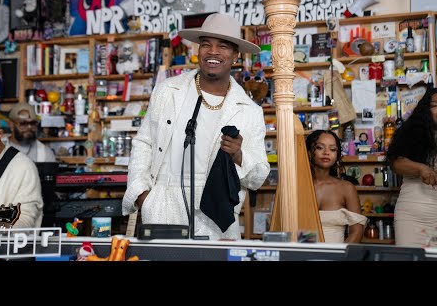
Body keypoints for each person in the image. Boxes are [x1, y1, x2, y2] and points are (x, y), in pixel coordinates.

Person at [122, 13, 270, 240]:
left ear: (235, 55)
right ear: (197, 51)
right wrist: (144, 197)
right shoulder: (168, 91)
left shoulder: (250, 111)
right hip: (164, 204)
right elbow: (144, 143)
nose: (213, 52)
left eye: (223, 46)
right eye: (206, 44)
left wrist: (238, 155)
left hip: (217, 213)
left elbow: (259, 177)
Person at [386, 87, 437, 247]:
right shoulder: (412, 132)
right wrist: (421, 168)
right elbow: (396, 163)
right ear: (425, 110)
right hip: (413, 216)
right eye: (435, 105)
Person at [306, 130, 367, 243]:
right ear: (309, 152)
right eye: (320, 147)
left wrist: (338, 256)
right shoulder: (297, 187)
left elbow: (357, 231)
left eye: (332, 149)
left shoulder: (346, 188)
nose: (326, 152)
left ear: (337, 156)